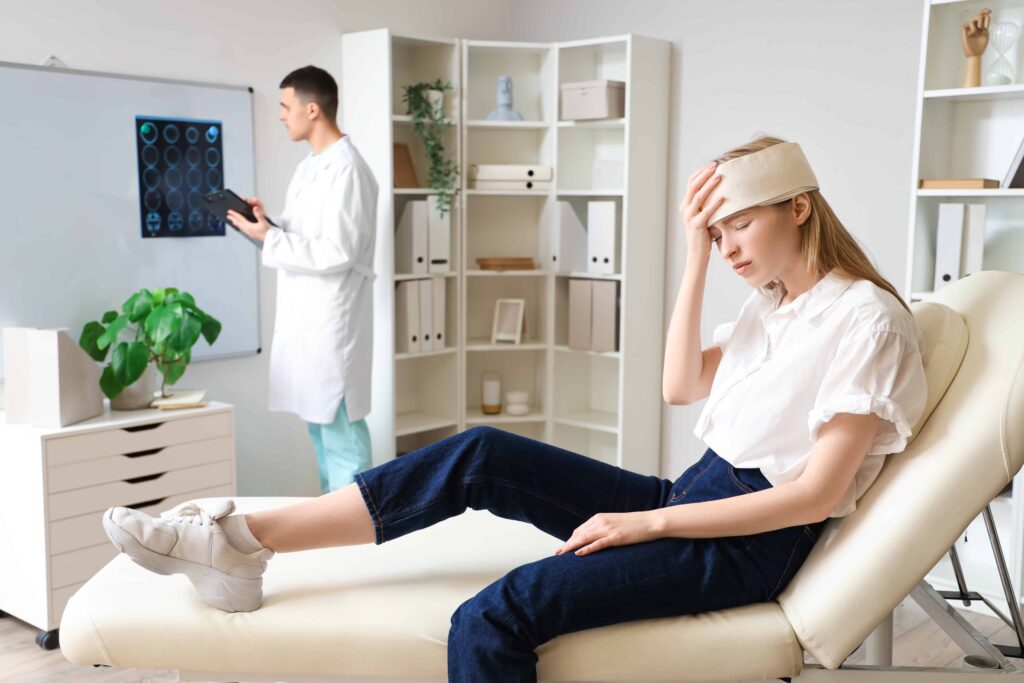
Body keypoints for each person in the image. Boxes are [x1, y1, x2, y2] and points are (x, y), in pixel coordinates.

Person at [103, 136, 927, 683]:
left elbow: (814, 495)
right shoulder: (773, 303)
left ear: (799, 208)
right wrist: (693, 259)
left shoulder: (867, 320)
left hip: (743, 544)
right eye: (721, 234)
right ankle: (245, 541)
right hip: (693, 496)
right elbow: (678, 386)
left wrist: (648, 523)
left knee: (491, 618)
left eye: (739, 226)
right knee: (481, 452)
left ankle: (239, 542)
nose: (731, 246)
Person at [227, 65, 378, 493]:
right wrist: (267, 224)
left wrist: (272, 238)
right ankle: (334, 522)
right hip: (309, 322)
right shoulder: (310, 167)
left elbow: (339, 250)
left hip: (333, 322)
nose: (280, 115)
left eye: (284, 106)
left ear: (312, 109)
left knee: (343, 437)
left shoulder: (348, 169)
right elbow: (302, 233)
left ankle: (361, 525)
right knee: (321, 432)